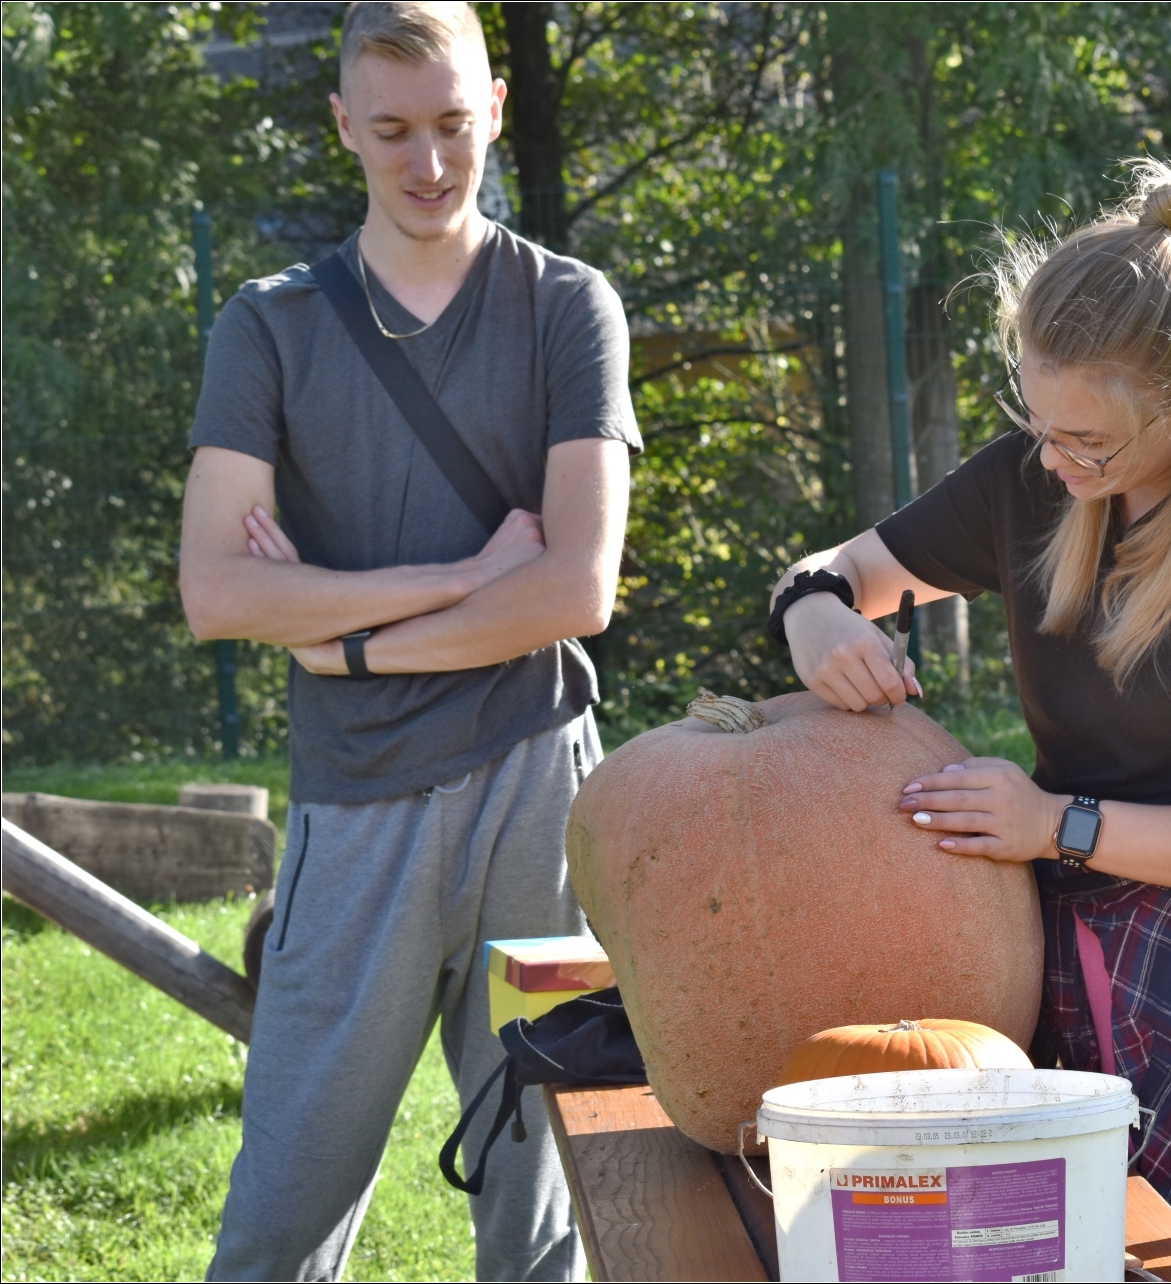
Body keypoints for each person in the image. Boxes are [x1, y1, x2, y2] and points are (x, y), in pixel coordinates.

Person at [766, 159, 1171, 1279]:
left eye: (1085, 441)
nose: (1051, 459)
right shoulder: (1038, 477)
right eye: (1035, 421)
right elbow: (841, 569)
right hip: (1078, 945)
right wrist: (813, 615)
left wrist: (1057, 823)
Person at [178, 4, 639, 1278]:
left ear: (494, 109)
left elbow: (575, 589)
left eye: (450, 124)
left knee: (543, 1206)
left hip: (540, 790)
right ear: (343, 125)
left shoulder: (568, 305)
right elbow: (217, 591)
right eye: (391, 132)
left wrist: (352, 638)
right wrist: (465, 576)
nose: (427, 163)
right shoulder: (269, 325)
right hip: (356, 804)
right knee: (283, 1209)